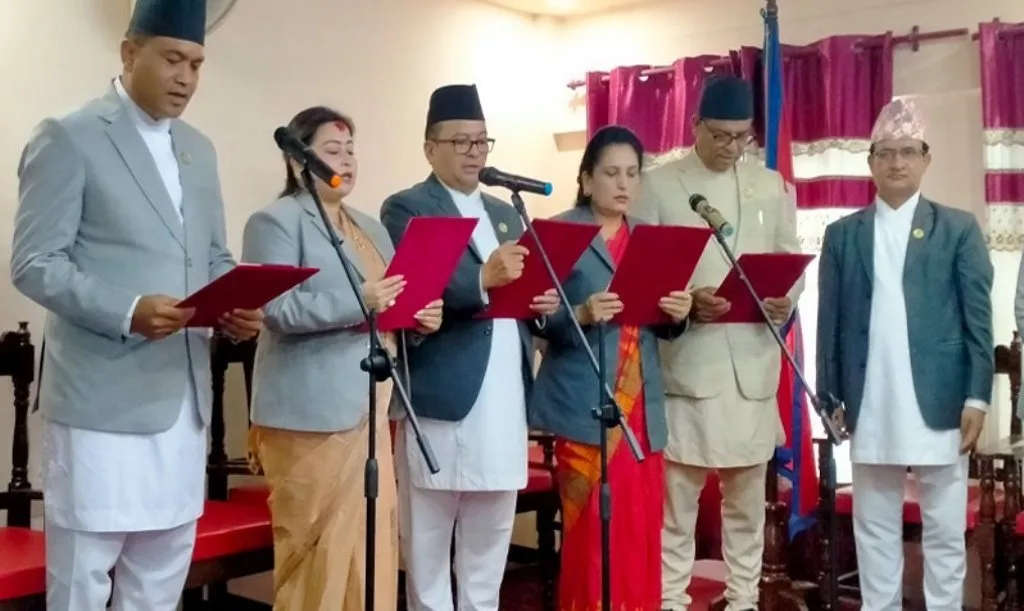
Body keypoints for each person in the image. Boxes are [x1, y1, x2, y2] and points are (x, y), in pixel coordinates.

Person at [8, 0, 264, 609]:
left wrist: (238, 304)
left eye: (197, 64)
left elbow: (213, 256)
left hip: (183, 400)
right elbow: (34, 262)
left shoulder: (199, 149)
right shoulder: (68, 136)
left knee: (159, 575)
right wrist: (128, 310)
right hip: (101, 400)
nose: (186, 78)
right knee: (83, 579)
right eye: (172, 59)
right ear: (129, 53)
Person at [241, 106, 443, 610]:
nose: (347, 160)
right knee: (315, 559)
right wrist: (361, 302)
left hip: (370, 411)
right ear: (298, 162)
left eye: (351, 150)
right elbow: (275, 309)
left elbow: (389, 305)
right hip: (308, 417)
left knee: (373, 547)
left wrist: (418, 319)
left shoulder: (371, 227)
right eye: (333, 151)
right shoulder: (276, 221)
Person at [379, 83, 560, 611]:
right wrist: (482, 279)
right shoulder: (408, 207)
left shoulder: (506, 212)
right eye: (460, 141)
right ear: (430, 148)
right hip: (442, 391)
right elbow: (413, 287)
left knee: (490, 540)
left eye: (482, 141)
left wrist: (540, 302)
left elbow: (519, 290)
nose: (474, 152)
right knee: (428, 543)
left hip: (504, 396)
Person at [633, 75, 802, 611]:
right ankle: (670, 602)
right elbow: (642, 275)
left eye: (742, 136)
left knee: (747, 505)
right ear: (695, 126)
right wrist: (687, 300)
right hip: (689, 364)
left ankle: (743, 600)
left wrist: (786, 298)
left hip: (752, 364)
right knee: (677, 505)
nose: (732, 147)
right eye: (722, 135)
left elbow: (789, 257)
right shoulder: (660, 185)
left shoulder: (770, 185)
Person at [817, 98, 993, 610]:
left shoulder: (957, 228)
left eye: (908, 152)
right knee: (873, 527)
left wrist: (977, 397)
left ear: (925, 159)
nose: (897, 162)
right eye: (886, 153)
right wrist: (829, 397)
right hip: (869, 399)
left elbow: (978, 321)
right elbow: (830, 325)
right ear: (870, 162)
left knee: (944, 526)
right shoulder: (843, 235)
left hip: (942, 399)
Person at [529, 125, 692, 610]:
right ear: (586, 179)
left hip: (641, 408)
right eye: (611, 173)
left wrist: (677, 314)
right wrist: (579, 314)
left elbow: (658, 323)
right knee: (591, 537)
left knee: (640, 532)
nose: (623, 184)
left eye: (632, 174)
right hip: (584, 409)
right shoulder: (558, 233)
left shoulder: (650, 239)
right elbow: (531, 319)